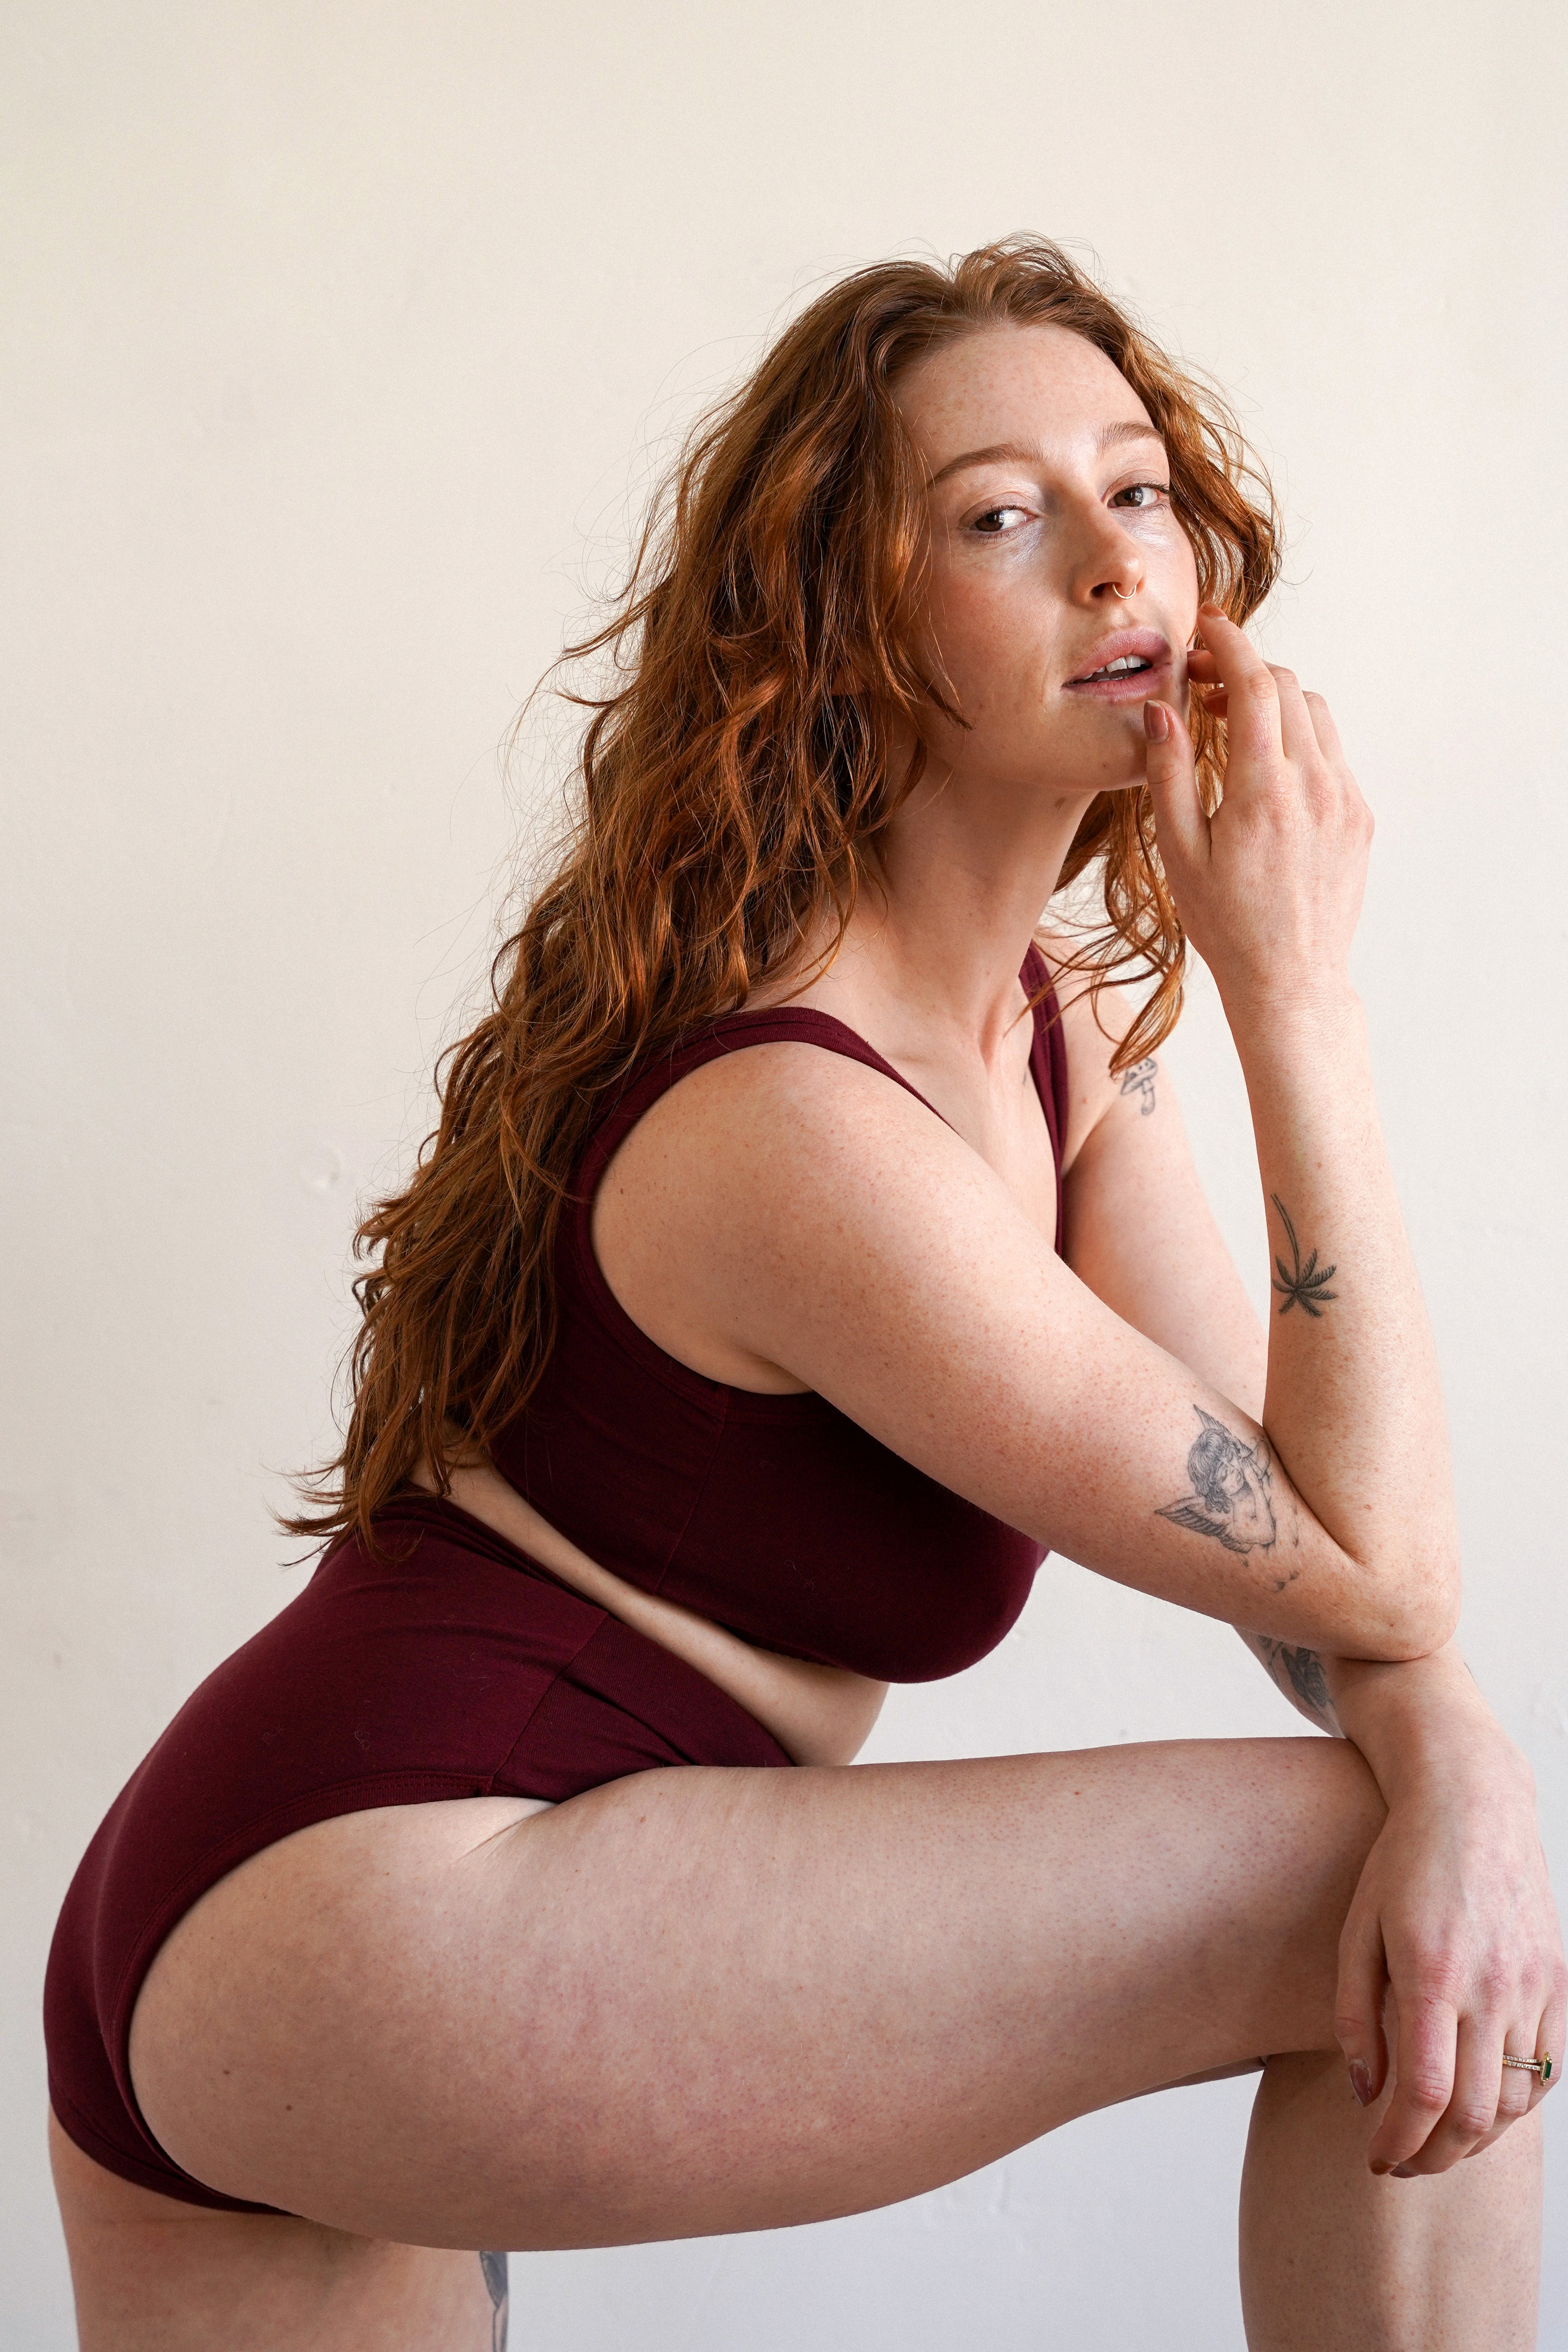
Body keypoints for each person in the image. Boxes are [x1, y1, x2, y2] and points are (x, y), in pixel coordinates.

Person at [44, 237, 1561, 2352]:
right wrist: (1295, 990)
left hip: (302, 1915)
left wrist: (1461, 1756)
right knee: (1371, 1893)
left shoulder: (1047, 1037)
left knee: (1429, 1853)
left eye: (1138, 489)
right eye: (1001, 517)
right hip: (398, 1871)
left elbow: (1311, 1540)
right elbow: (1373, 1562)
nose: (1113, 561)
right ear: (853, 626)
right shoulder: (797, 1124)